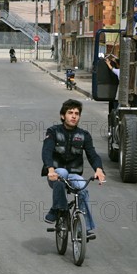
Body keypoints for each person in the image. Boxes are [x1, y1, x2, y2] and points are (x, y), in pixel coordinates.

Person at [41, 99, 105, 235]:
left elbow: (92, 154)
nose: (74, 116)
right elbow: (46, 151)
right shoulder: (53, 131)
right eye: (70, 113)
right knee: (62, 172)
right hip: (56, 173)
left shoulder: (84, 135)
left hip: (74, 175)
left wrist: (99, 170)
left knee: (82, 189)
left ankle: (84, 228)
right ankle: (58, 209)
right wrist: (50, 169)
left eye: (77, 113)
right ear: (63, 116)